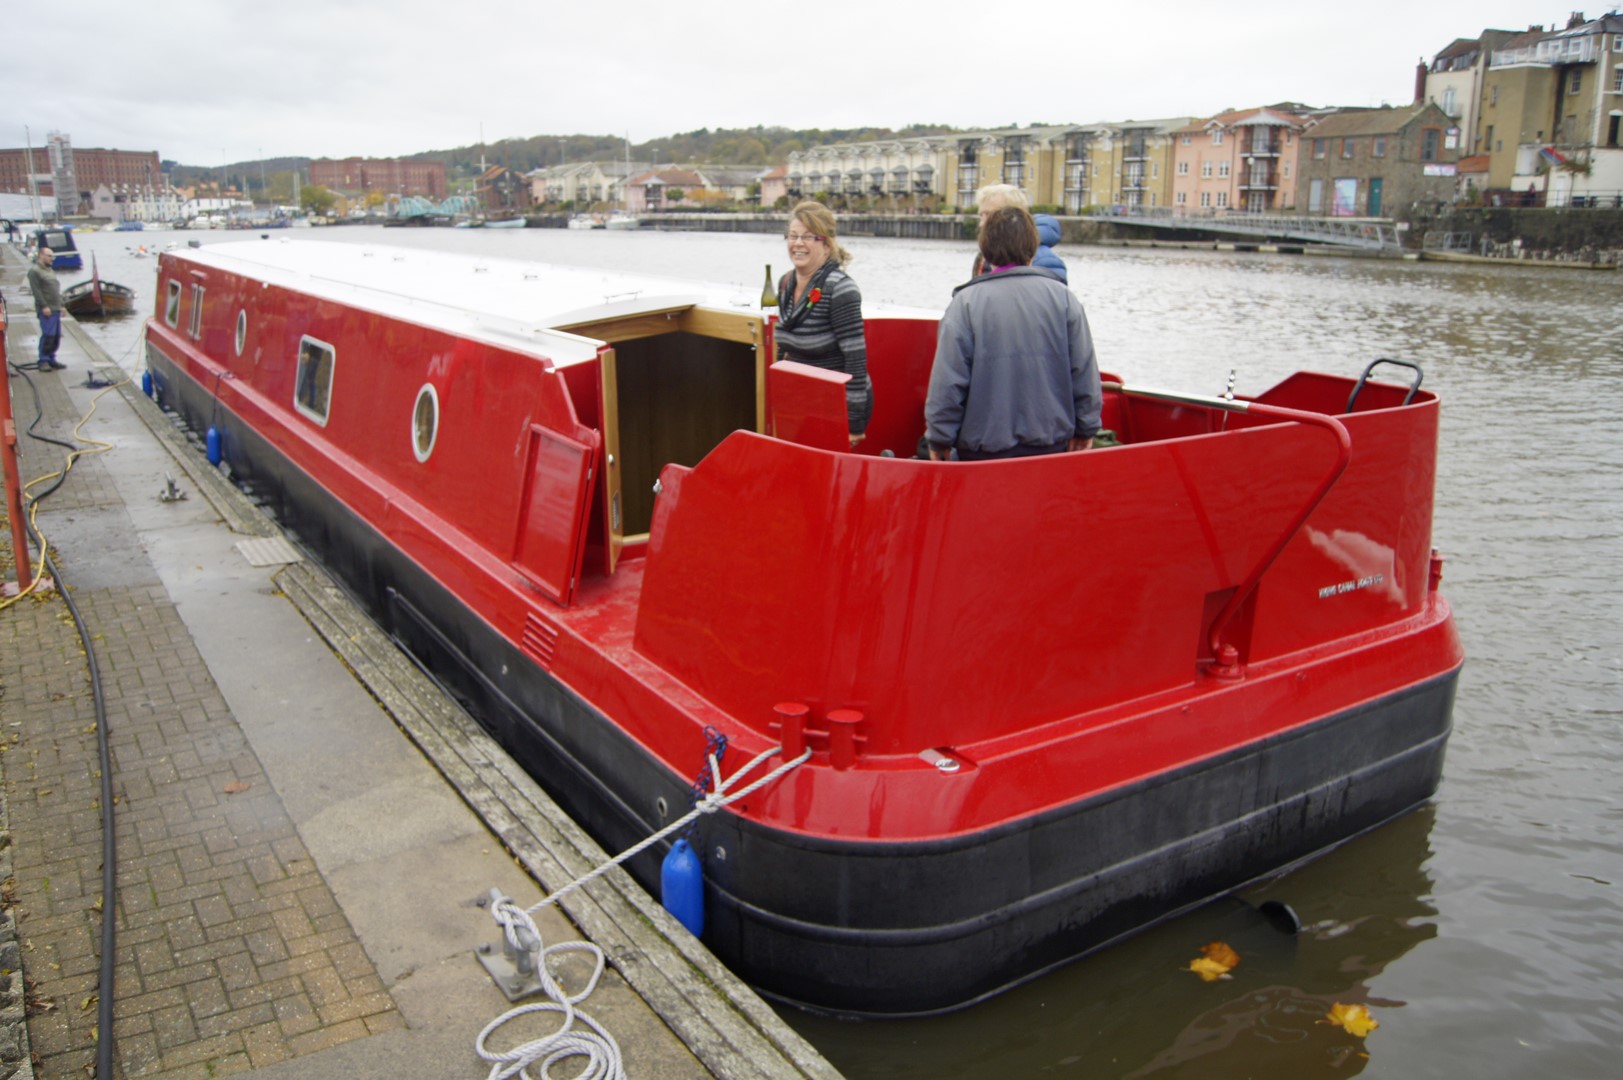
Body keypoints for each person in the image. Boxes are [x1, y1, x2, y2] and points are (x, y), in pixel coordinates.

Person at [924, 206, 1099, 461]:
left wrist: (939, 438)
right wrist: (1086, 427)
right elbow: (1084, 371)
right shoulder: (1063, 299)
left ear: (986, 247)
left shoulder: (965, 304)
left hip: (982, 454)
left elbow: (948, 381)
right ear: (1032, 246)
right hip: (1051, 448)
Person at [774, 201, 871, 446]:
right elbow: (784, 348)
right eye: (793, 236)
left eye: (808, 237)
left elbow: (856, 360)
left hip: (835, 406)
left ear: (826, 245)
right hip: (801, 400)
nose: (797, 243)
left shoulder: (840, 289)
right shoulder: (785, 283)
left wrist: (855, 422)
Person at [971, 183, 1067, 283]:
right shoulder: (984, 257)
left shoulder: (1044, 260)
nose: (982, 223)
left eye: (990, 214)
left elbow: (1052, 296)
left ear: (1014, 215)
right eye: (981, 215)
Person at [27, 245, 65, 371]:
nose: (51, 258)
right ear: (41, 255)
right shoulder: (35, 271)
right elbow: (36, 291)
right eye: (49, 256)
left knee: (56, 336)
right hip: (47, 309)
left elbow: (56, 289)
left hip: (56, 308)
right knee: (48, 335)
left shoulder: (50, 270)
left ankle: (52, 358)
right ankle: (43, 360)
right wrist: (44, 306)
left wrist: (62, 305)